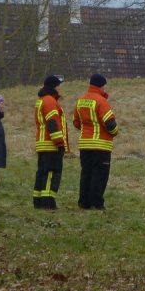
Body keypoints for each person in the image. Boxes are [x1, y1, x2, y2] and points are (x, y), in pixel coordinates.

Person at [73, 74, 119, 210]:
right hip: (101, 145)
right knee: (100, 175)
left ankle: (84, 202)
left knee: (86, 173)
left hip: (84, 144)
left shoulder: (80, 100)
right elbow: (110, 124)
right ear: (101, 85)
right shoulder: (101, 101)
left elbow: (76, 122)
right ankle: (97, 203)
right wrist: (115, 132)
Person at [33, 75, 69, 210]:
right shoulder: (50, 101)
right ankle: (48, 202)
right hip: (51, 144)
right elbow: (52, 123)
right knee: (51, 172)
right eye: (59, 85)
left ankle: (38, 200)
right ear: (54, 86)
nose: (60, 88)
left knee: (41, 173)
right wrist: (60, 143)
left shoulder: (42, 100)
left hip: (42, 143)